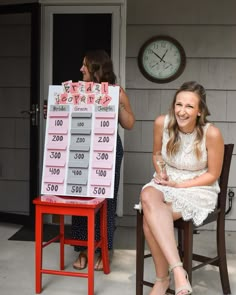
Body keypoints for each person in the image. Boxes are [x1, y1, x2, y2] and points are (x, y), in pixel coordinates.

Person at [140, 81, 224, 295]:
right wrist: (161, 172)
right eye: (179, 104)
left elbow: (213, 175)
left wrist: (180, 185)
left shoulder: (211, 133)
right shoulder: (162, 123)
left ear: (199, 111)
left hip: (198, 186)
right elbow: (157, 154)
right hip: (168, 181)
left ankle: (163, 278)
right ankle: (179, 271)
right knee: (147, 194)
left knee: (150, 219)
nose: (182, 111)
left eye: (189, 106)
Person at [72, 50, 135, 271]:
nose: (81, 69)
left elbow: (129, 124)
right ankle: (82, 248)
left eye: (85, 65)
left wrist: (116, 103)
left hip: (108, 150)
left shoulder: (116, 91)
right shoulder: (77, 91)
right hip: (80, 149)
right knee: (80, 198)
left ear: (96, 69)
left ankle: (104, 249)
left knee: (106, 201)